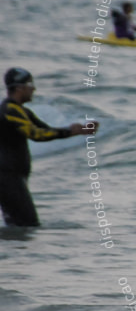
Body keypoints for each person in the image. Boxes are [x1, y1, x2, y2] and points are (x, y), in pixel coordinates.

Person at [1, 68, 98, 227]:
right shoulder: (9, 110)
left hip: (13, 176)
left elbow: (46, 130)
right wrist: (69, 131)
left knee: (19, 225)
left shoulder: (22, 111)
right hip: (7, 177)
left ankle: (15, 251)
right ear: (19, 87)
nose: (34, 88)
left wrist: (80, 130)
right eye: (30, 84)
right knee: (27, 224)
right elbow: (36, 134)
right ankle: (18, 251)